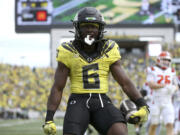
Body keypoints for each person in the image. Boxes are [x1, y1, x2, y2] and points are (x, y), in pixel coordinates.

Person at [42, 7, 149, 135]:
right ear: (77, 28)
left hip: (101, 101)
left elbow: (125, 82)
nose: (89, 30)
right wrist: (49, 118)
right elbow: (58, 87)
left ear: (100, 29)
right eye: (85, 26)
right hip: (78, 101)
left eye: (93, 26)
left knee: (119, 131)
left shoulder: (109, 49)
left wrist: (143, 104)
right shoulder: (67, 51)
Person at [147, 51, 178, 135]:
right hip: (155, 101)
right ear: (159, 60)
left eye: (168, 60)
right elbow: (151, 85)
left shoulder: (172, 71)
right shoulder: (152, 69)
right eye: (164, 59)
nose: (166, 62)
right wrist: (165, 85)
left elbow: (176, 85)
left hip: (168, 101)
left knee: (170, 124)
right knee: (154, 124)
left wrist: (173, 88)